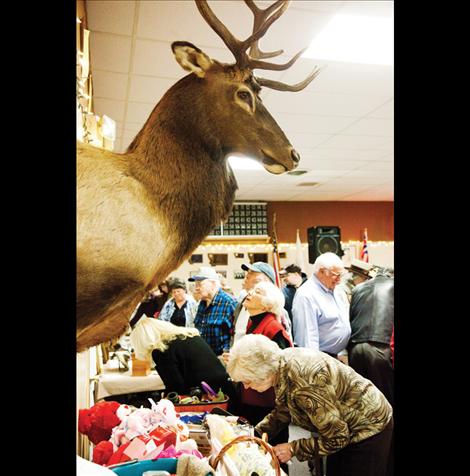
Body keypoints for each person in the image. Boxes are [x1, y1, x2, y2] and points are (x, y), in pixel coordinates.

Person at [226, 334, 393, 476]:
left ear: (261, 371)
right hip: (346, 423)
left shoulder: (305, 381)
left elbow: (337, 438)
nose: (246, 387)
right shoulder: (280, 363)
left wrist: (293, 448)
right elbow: (284, 410)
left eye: (247, 381)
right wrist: (256, 433)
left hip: (368, 426)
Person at [129, 317, 238, 410]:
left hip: (212, 401)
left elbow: (175, 387)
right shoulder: (189, 336)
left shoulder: (161, 350)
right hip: (227, 391)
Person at [348, 268, 394, 405]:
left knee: (362, 402)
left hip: (355, 348)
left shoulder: (357, 289)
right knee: (385, 403)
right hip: (381, 347)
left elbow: (350, 318)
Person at [292, 252, 350, 358]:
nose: (339, 279)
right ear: (321, 271)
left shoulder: (334, 290)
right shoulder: (307, 295)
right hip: (319, 358)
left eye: (340, 275)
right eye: (335, 275)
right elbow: (307, 338)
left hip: (335, 356)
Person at [232, 261, 292, 345]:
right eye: (248, 271)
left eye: (253, 272)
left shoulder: (278, 314)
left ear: (266, 281)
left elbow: (282, 346)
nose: (248, 274)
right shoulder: (241, 304)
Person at [190, 267, 237, 356]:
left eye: (200, 284)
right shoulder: (202, 303)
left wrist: (227, 354)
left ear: (213, 284)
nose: (196, 288)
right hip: (202, 358)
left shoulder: (229, 303)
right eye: (195, 285)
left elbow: (235, 336)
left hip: (221, 361)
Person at [280, 264, 307, 339]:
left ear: (296, 274)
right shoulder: (284, 292)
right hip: (293, 332)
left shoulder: (310, 287)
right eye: (282, 276)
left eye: (286, 275)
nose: (284, 279)